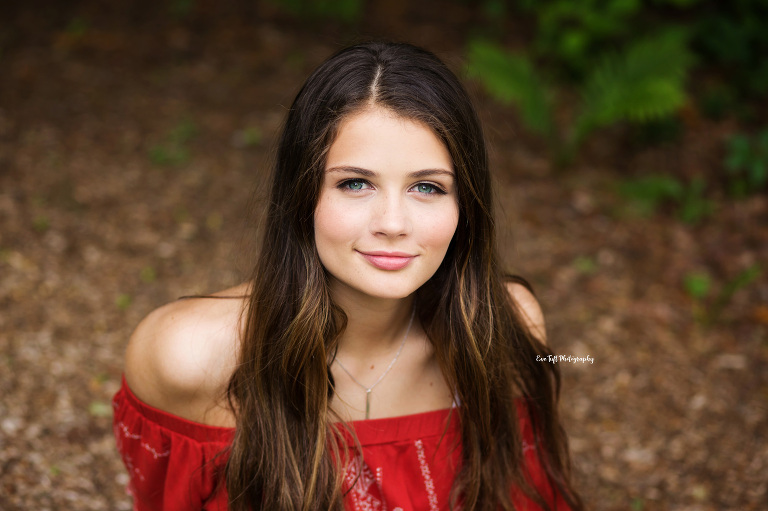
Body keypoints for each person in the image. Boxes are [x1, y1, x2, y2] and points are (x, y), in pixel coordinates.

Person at [113, 41, 583, 511]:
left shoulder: (504, 331)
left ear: (465, 205)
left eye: (427, 187)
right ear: (303, 195)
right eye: (355, 183)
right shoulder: (188, 356)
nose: (393, 223)